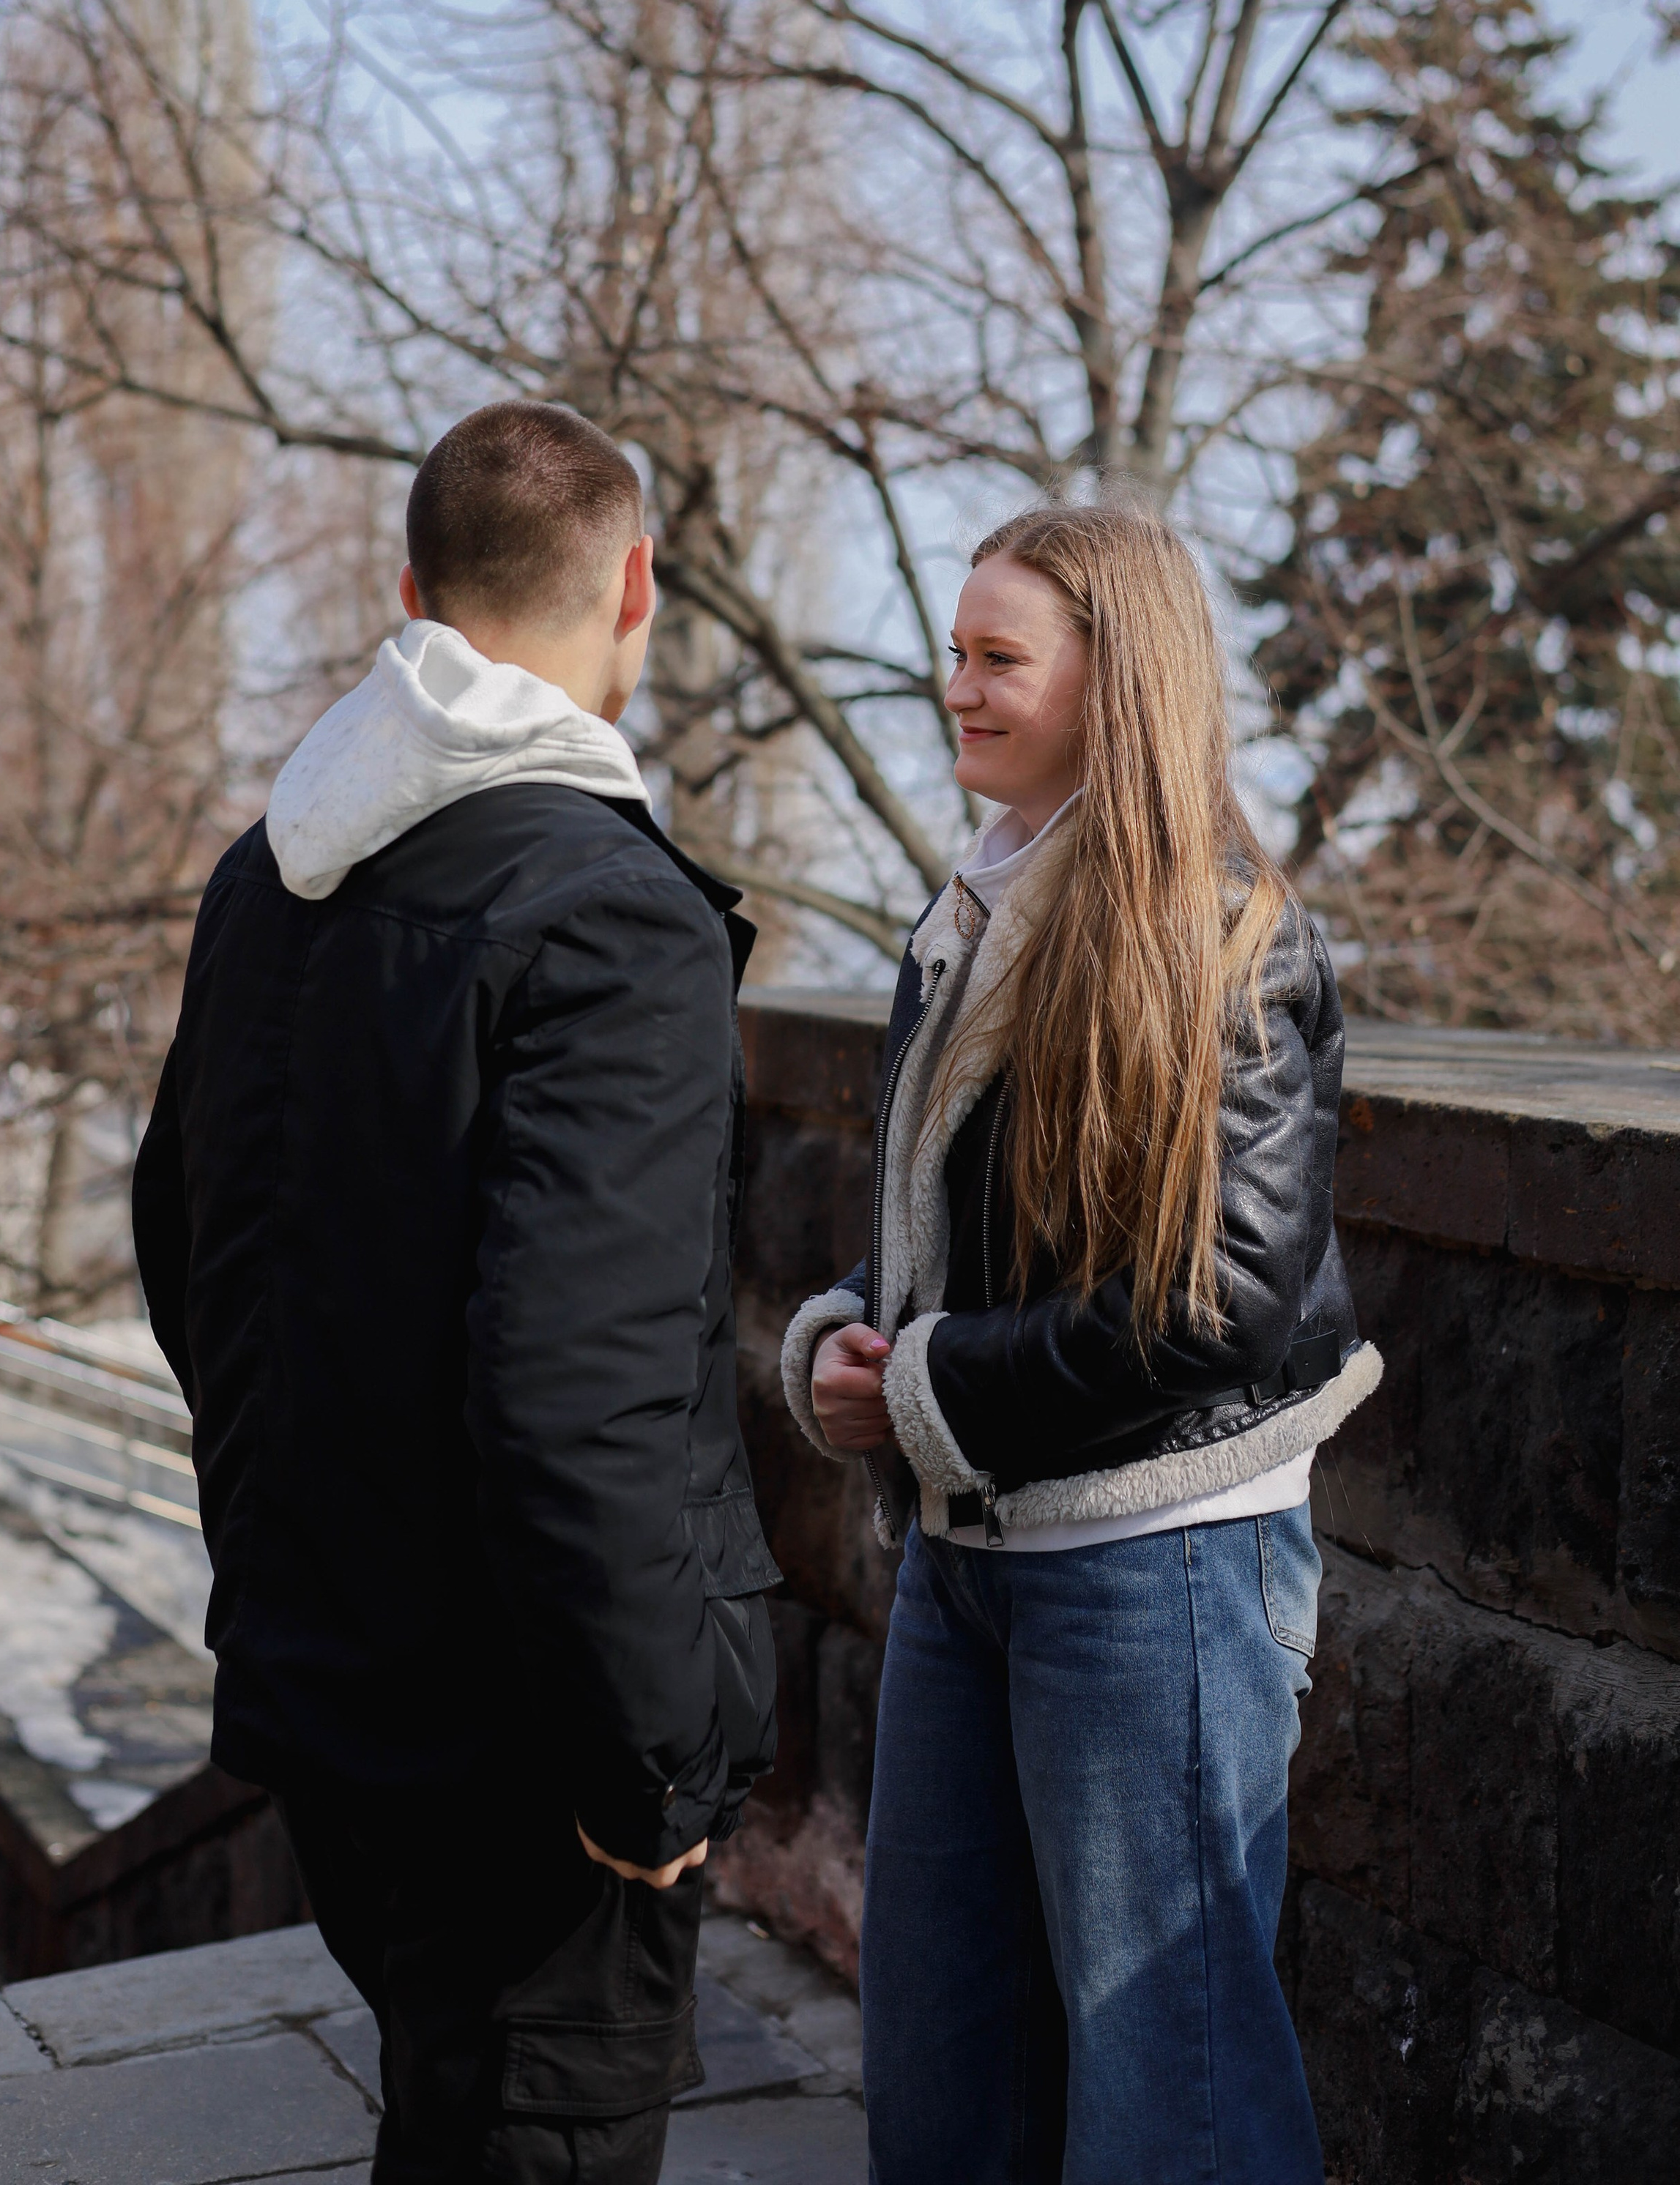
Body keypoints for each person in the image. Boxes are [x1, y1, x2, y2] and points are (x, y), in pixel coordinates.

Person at [133, 401, 779, 2185]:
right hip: (523, 1740)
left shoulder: (271, 873)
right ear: (636, 583)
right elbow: (580, 1387)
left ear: (411, 594)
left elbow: (190, 1247)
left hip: (329, 1673)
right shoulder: (608, 917)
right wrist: (647, 1764)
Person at [780, 499, 1381, 2185]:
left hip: (1154, 1574)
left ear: (1114, 683)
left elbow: (1220, 1297)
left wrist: (919, 1384)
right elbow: (962, 1212)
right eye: (952, 653)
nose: (954, 688)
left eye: (996, 660)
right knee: (944, 2075)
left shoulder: (1224, 935)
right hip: (967, 1560)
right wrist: (853, 1329)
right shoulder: (977, 903)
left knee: (1167, 2100)